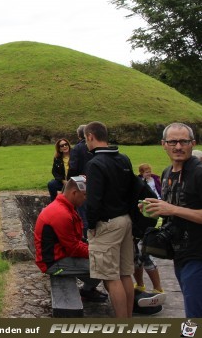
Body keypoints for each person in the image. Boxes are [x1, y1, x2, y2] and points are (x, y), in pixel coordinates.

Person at [141, 122, 202, 318]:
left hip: (199, 255)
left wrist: (172, 208)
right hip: (179, 254)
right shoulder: (168, 172)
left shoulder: (200, 173)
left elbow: (177, 209)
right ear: (163, 144)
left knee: (195, 315)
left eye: (183, 141)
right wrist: (156, 209)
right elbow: (174, 212)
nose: (178, 147)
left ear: (192, 143)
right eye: (173, 142)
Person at [84, 121, 137, 318]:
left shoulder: (95, 164)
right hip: (125, 219)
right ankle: (128, 320)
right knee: (125, 274)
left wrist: (91, 225)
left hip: (106, 223)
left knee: (109, 277)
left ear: (90, 136)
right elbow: (133, 189)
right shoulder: (123, 159)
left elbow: (94, 201)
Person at [34, 176, 107, 302]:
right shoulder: (61, 214)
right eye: (84, 195)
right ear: (74, 193)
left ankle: (88, 290)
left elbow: (75, 242)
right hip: (53, 264)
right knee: (103, 264)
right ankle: (87, 291)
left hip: (60, 255)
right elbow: (73, 248)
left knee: (101, 260)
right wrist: (97, 251)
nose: (86, 199)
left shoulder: (64, 207)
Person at [132, 163, 165, 298]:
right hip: (133, 226)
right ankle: (140, 285)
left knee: (146, 256)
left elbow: (150, 211)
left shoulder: (140, 186)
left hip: (143, 225)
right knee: (135, 258)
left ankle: (158, 288)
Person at [68, 124, 93, 237]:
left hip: (81, 183)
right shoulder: (95, 147)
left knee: (82, 212)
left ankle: (85, 237)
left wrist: (70, 181)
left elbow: (73, 167)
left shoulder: (77, 148)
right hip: (95, 182)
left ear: (79, 135)